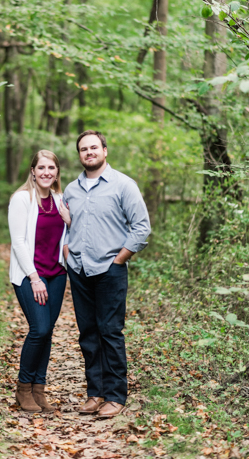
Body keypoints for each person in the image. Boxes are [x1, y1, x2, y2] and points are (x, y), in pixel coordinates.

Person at [62, 130, 151, 419]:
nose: (89, 152)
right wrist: (67, 251)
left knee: (110, 332)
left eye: (93, 147)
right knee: (88, 334)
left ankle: (115, 395)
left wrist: (119, 259)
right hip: (79, 270)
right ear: (79, 155)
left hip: (110, 270)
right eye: (83, 149)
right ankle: (95, 393)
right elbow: (67, 226)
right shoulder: (71, 190)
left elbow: (141, 228)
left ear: (104, 150)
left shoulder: (123, 185)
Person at [8, 150, 71, 413]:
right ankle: (23, 389)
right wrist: (34, 278)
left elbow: (68, 237)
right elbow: (19, 241)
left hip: (57, 274)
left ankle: (38, 390)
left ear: (57, 172)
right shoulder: (22, 199)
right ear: (33, 171)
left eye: (52, 168)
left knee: (48, 332)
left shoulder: (59, 199)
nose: (47, 172)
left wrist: (71, 220)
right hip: (29, 275)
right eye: (41, 167)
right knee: (40, 329)